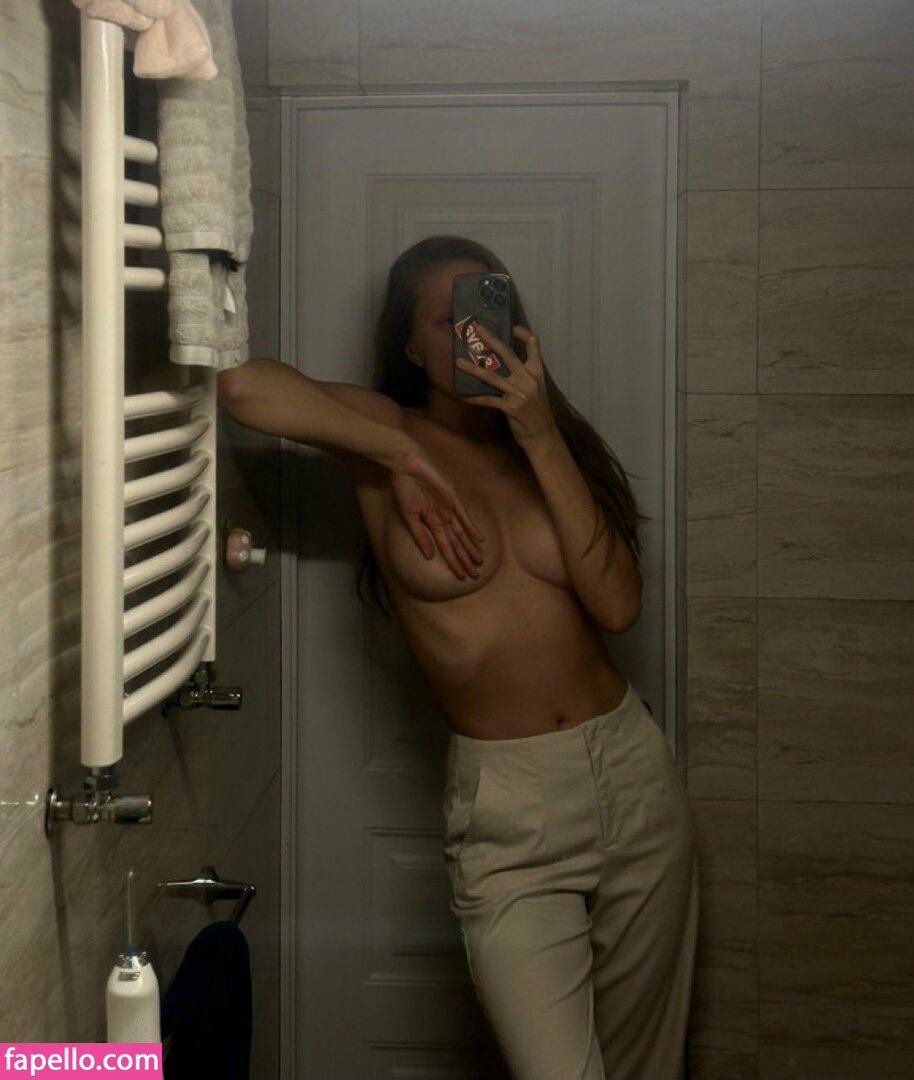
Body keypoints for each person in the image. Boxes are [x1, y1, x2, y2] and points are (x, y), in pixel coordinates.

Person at [217, 235, 699, 1080]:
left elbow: (619, 606)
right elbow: (241, 387)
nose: (473, 334)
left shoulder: (550, 450)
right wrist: (400, 456)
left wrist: (540, 433)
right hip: (510, 808)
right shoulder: (383, 432)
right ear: (410, 346)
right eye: (446, 320)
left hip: (633, 775)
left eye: (487, 308)